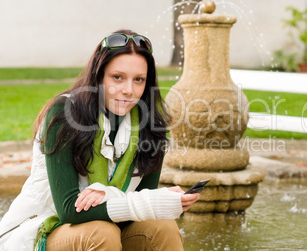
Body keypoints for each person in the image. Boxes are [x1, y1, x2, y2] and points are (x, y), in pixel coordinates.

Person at [0, 29, 199, 250]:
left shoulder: (151, 126)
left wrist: (153, 202)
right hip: (44, 229)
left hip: (110, 229)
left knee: (162, 227)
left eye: (139, 80)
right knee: (100, 233)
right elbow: (68, 210)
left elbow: (143, 204)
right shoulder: (65, 113)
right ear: (99, 75)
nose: (128, 90)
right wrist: (151, 202)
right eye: (117, 77)